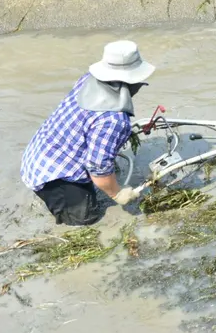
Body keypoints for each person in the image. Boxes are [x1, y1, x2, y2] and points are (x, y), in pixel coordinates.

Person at [20, 40, 155, 226]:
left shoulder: (88, 79)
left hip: (40, 152)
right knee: (85, 222)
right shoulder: (113, 120)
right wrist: (117, 194)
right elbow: (98, 165)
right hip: (53, 175)